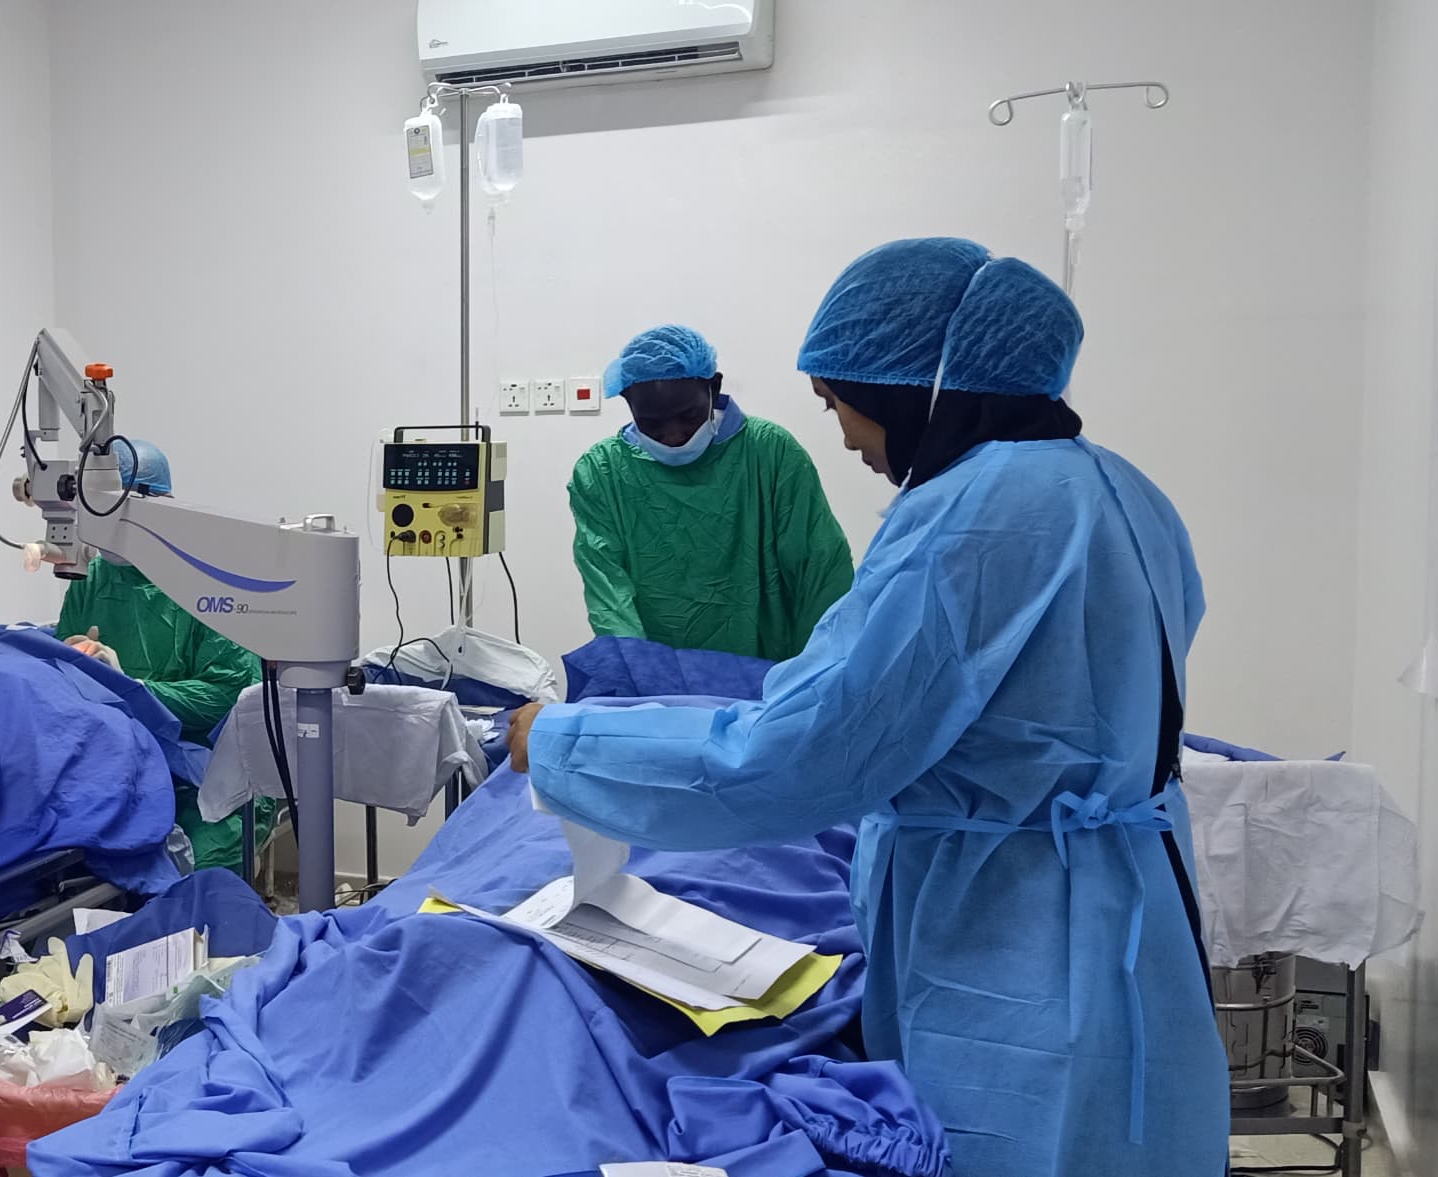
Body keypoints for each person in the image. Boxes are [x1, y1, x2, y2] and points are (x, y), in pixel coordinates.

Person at [508, 239, 1225, 1176]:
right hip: (1136, 914)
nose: (846, 437)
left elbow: (796, 754)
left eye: (837, 403)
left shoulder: (972, 515)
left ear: (913, 388)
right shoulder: (1120, 487)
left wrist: (563, 744)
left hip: (1015, 939)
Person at [569, 324, 854, 660]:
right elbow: (609, 593)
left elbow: (820, 572)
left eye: (687, 416)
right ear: (628, 403)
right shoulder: (601, 472)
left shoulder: (770, 453)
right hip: (656, 675)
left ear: (714, 386)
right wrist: (639, 673)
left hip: (770, 671)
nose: (673, 436)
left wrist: (813, 670)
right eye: (652, 423)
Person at [58, 439, 271, 870]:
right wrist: (69, 661)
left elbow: (229, 695)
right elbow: (63, 670)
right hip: (112, 768)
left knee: (184, 874)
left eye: (111, 512)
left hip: (205, 780)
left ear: (155, 508)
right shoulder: (91, 577)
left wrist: (133, 688)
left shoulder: (209, 579)